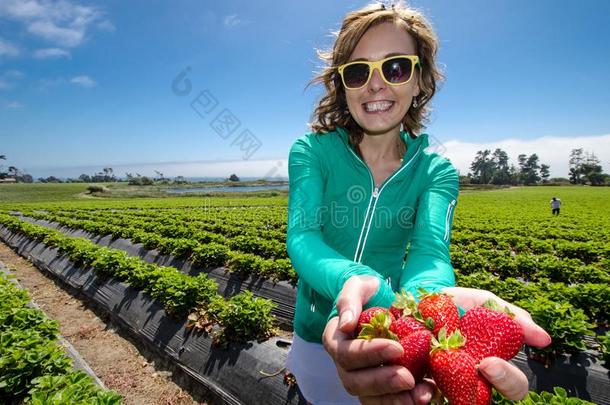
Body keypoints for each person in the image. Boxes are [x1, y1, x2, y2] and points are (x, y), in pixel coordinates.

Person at [285, 2, 551, 404]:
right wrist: (354, 281)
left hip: (393, 339)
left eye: (395, 68)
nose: (375, 85)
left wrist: (426, 304)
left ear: (420, 80)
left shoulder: (436, 172)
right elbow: (303, 236)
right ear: (343, 85)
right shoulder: (312, 151)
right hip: (313, 339)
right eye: (358, 72)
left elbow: (430, 252)